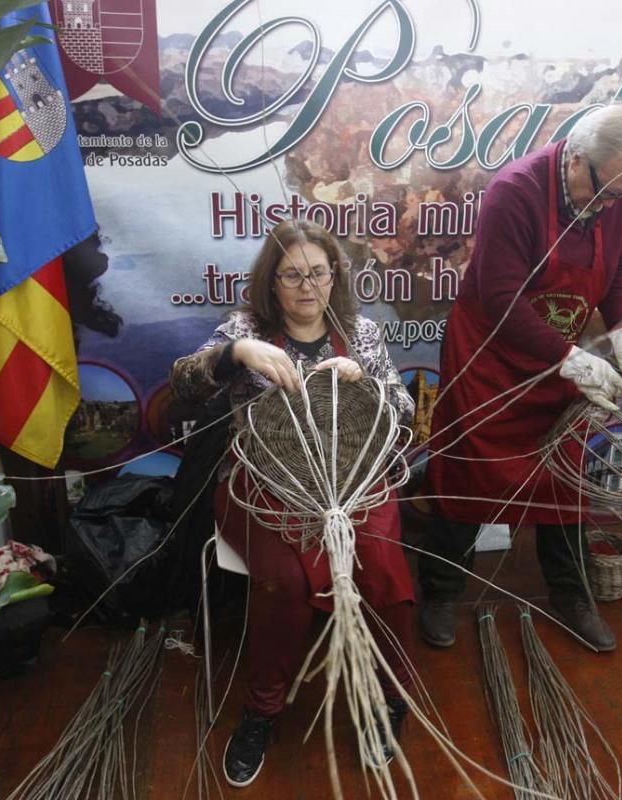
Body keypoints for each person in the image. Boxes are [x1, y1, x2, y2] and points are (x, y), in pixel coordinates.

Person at [171, 219, 416, 788]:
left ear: (335, 277)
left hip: (352, 481)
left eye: (318, 273)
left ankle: (385, 697)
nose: (307, 287)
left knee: (382, 566)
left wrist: (367, 384)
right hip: (262, 485)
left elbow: (403, 411)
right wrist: (237, 353)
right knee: (283, 579)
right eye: (291, 275)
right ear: (271, 282)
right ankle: (262, 709)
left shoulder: (361, 334)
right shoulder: (245, 329)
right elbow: (184, 384)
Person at [419, 105, 622, 653]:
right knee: (468, 472)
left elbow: (617, 266)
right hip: (491, 360)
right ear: (575, 159)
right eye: (607, 191)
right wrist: (571, 358)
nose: (612, 205)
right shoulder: (515, 192)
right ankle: (439, 591)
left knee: (562, 477)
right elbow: (500, 299)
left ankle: (571, 597)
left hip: (559, 357)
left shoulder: (609, 194)